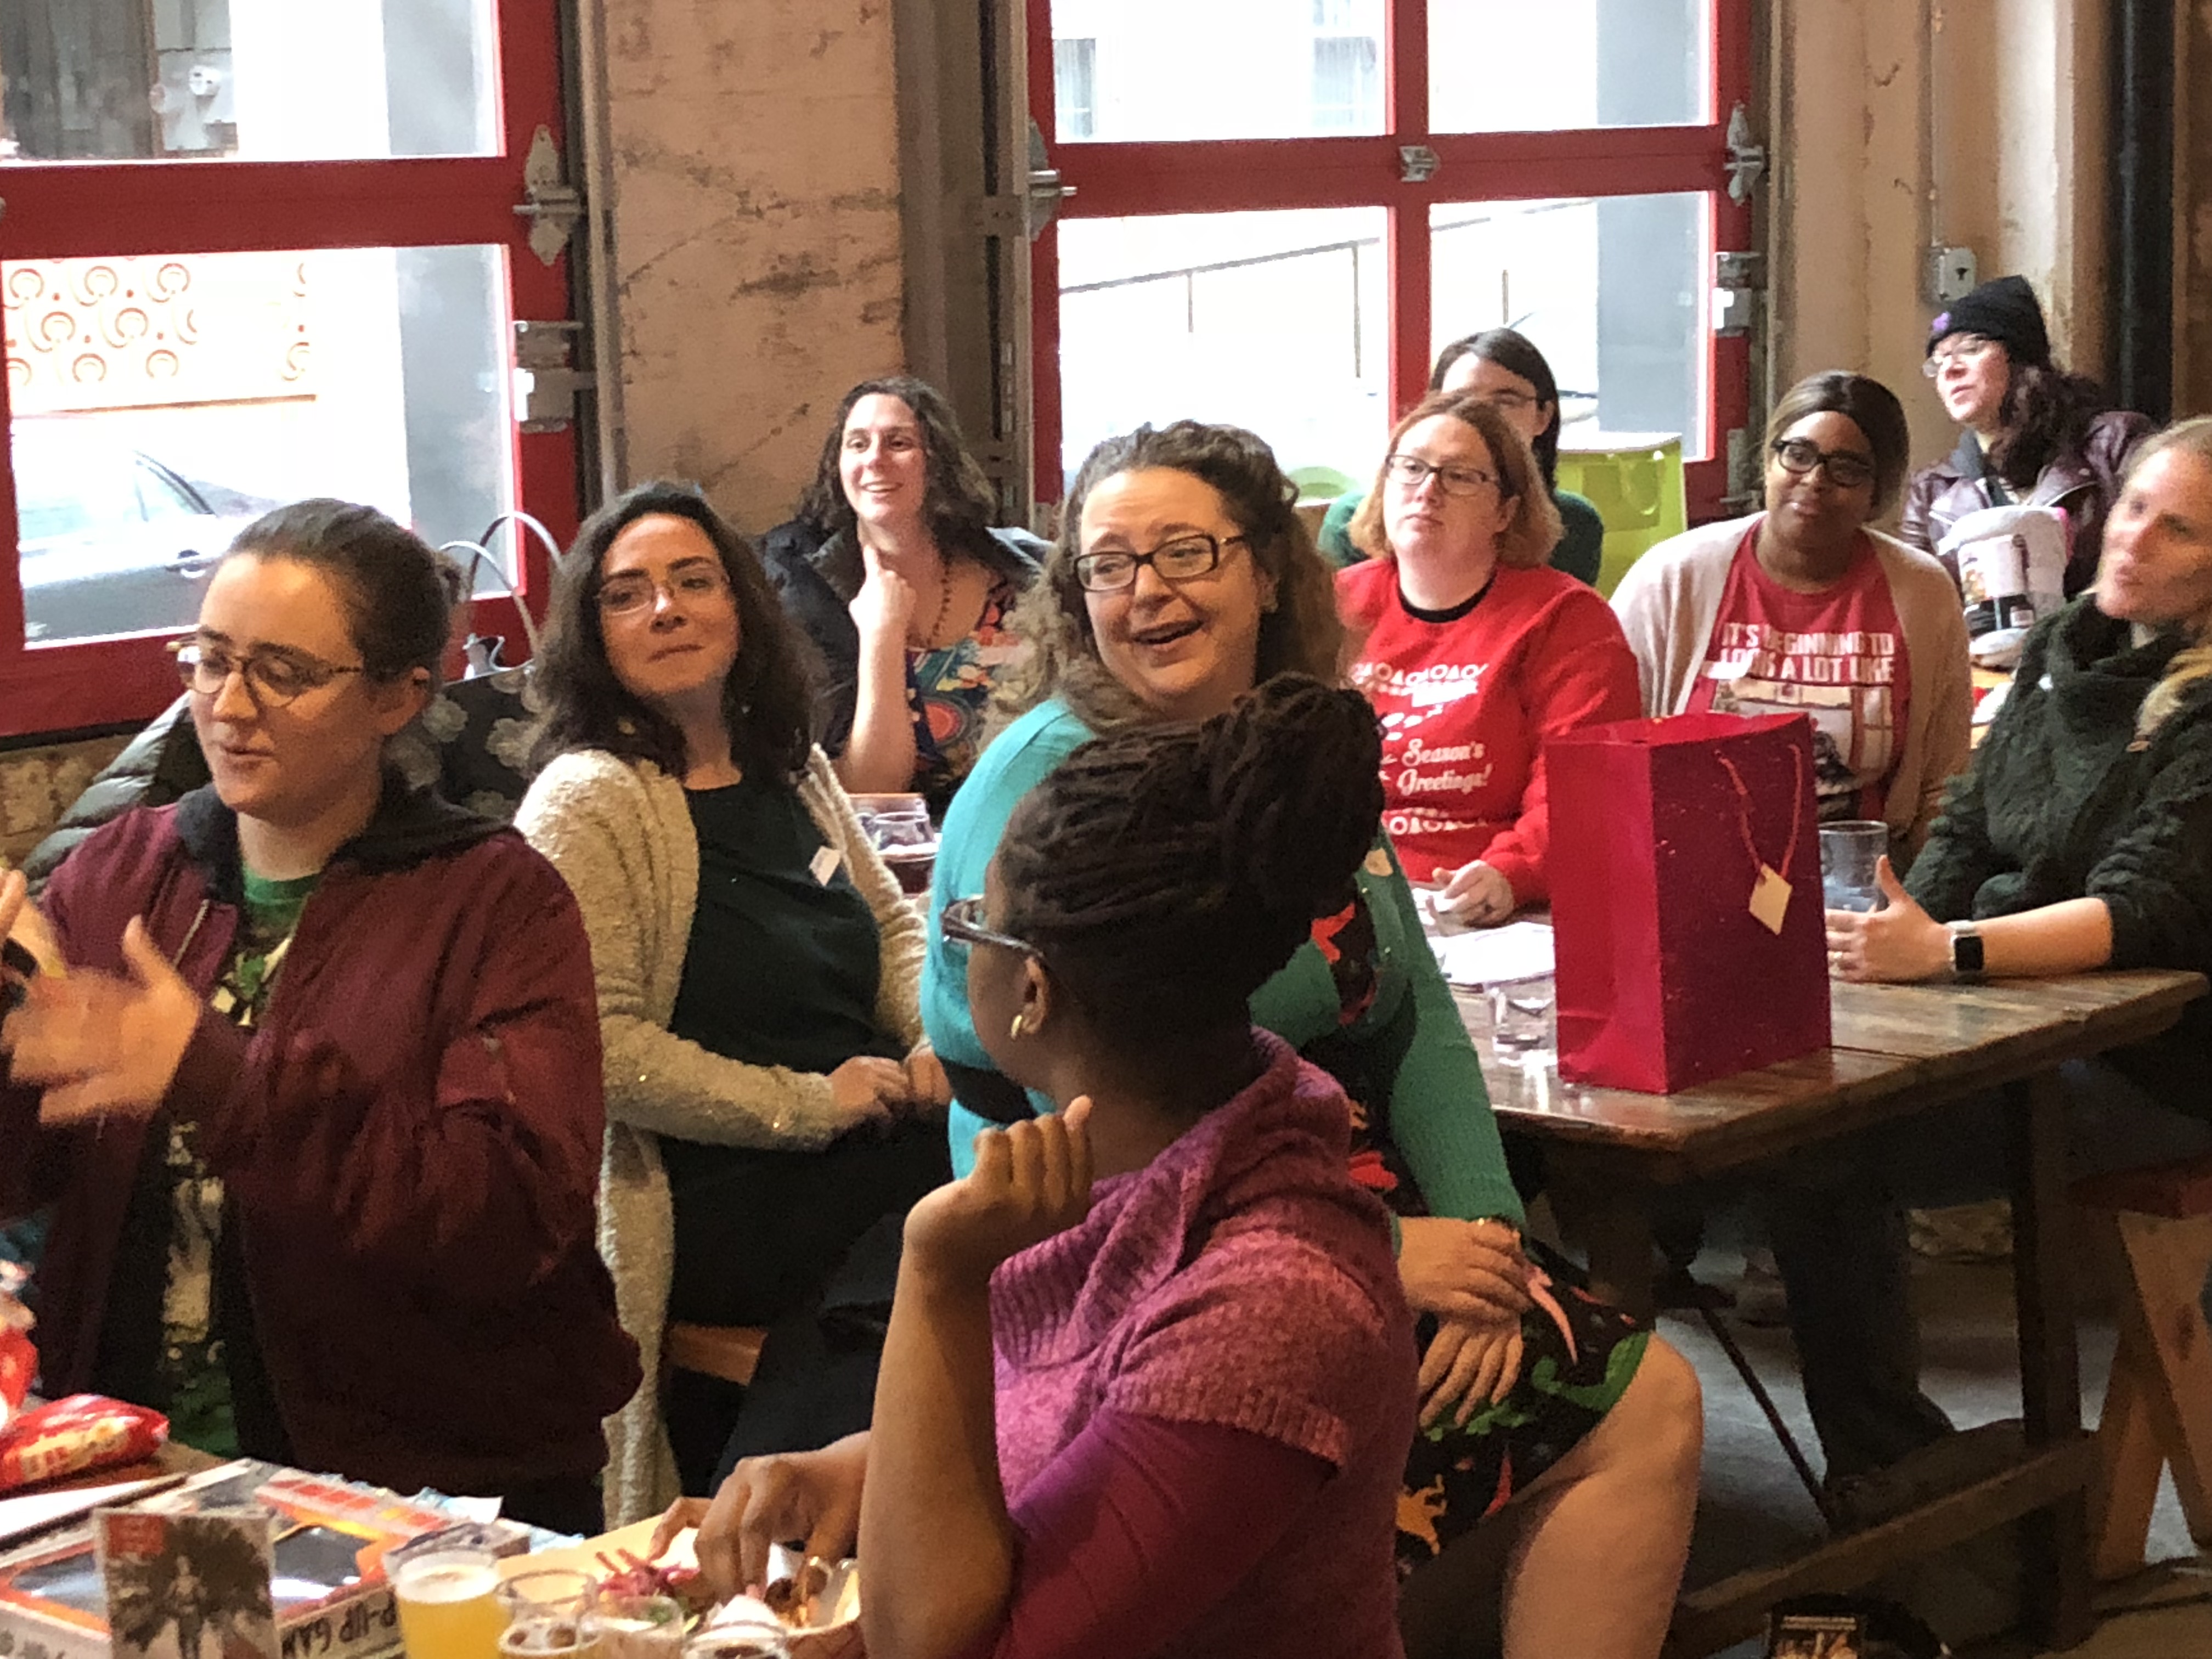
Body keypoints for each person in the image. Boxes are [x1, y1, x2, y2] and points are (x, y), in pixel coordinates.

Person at [921, 420, 1700, 1658]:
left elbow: (1409, 1006)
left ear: (1268, 571)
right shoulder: (1055, 790)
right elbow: (1014, 1090)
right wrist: (1385, 1251)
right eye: (1110, 565)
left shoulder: (1291, 747)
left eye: (1185, 551)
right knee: (1623, 1399)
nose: (1147, 590)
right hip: (1120, 1247)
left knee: (1629, 1386)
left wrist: (1487, 1235)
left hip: (1307, 1199)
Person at [658, 676, 1424, 1659]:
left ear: (1031, 988)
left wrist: (937, 1274)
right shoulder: (1123, 1168)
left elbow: (939, 1647)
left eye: (974, 916)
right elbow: (1063, 1454)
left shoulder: (1268, 1310)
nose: (958, 937)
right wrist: (859, 1469)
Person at [0, 500, 638, 1532]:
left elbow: (508, 1221)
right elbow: (21, 1171)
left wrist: (221, 1076)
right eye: (209, 659)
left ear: (398, 695)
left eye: (283, 672)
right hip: (146, 1467)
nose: (227, 704)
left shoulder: (495, 900)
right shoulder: (124, 870)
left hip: (411, 1490)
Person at [516, 482, 952, 1525]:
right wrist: (814, 1102)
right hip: (711, 1185)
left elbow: (895, 927)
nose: (666, 609)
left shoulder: (788, 766)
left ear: (741, 605)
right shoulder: (588, 798)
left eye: (693, 581)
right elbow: (602, 1050)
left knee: (999, 1150)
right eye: (628, 594)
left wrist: (930, 1034)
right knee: (960, 1201)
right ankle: (788, 1504)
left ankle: (839, 1497)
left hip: (860, 1141)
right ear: (593, 633)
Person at [1797, 419, 2212, 1479]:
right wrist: (1890, 942)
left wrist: (1944, 951)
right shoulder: (2063, 645)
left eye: (2176, 529)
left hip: (2155, 1057)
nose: (2132, 538)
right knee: (1791, 1089)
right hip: (2005, 1005)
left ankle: (1895, 1472)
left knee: (1829, 1154)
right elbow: (1970, 825)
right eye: (2131, 507)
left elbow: (2139, 909)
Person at [1614, 371, 1973, 861]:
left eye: (1847, 469)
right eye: (1798, 454)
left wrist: (1917, 899)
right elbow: (1612, 763)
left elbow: (1941, 791)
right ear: (1768, 462)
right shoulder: (1673, 578)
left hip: (1859, 883)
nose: (1815, 481)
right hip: (1690, 866)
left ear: (1879, 491)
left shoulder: (1923, 592)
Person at [1339, 390, 1641, 926]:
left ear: (1506, 511)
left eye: (1459, 477)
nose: (1427, 491)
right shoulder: (1333, 606)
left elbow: (1582, 792)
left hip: (1490, 907)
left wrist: (1512, 872)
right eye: (1410, 468)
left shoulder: (1568, 621)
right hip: (1341, 892)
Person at [759, 376, 1044, 814]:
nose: (875, 459)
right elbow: (868, 791)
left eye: (898, 443)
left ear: (937, 461)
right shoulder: (800, 586)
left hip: (1031, 822)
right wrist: (883, 635)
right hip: (898, 840)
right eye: (857, 444)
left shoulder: (1018, 568)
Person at [1900, 274, 2154, 596]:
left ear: (2020, 357)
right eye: (1938, 362)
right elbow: (1916, 600)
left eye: (1971, 348)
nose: (1950, 370)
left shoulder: (2114, 443)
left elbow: (2153, 552)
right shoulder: (1933, 489)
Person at [1321, 329, 1607, 585]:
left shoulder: (1574, 524)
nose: (1483, 415)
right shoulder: (1353, 522)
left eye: (1506, 401)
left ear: (1543, 417)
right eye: (1462, 401)